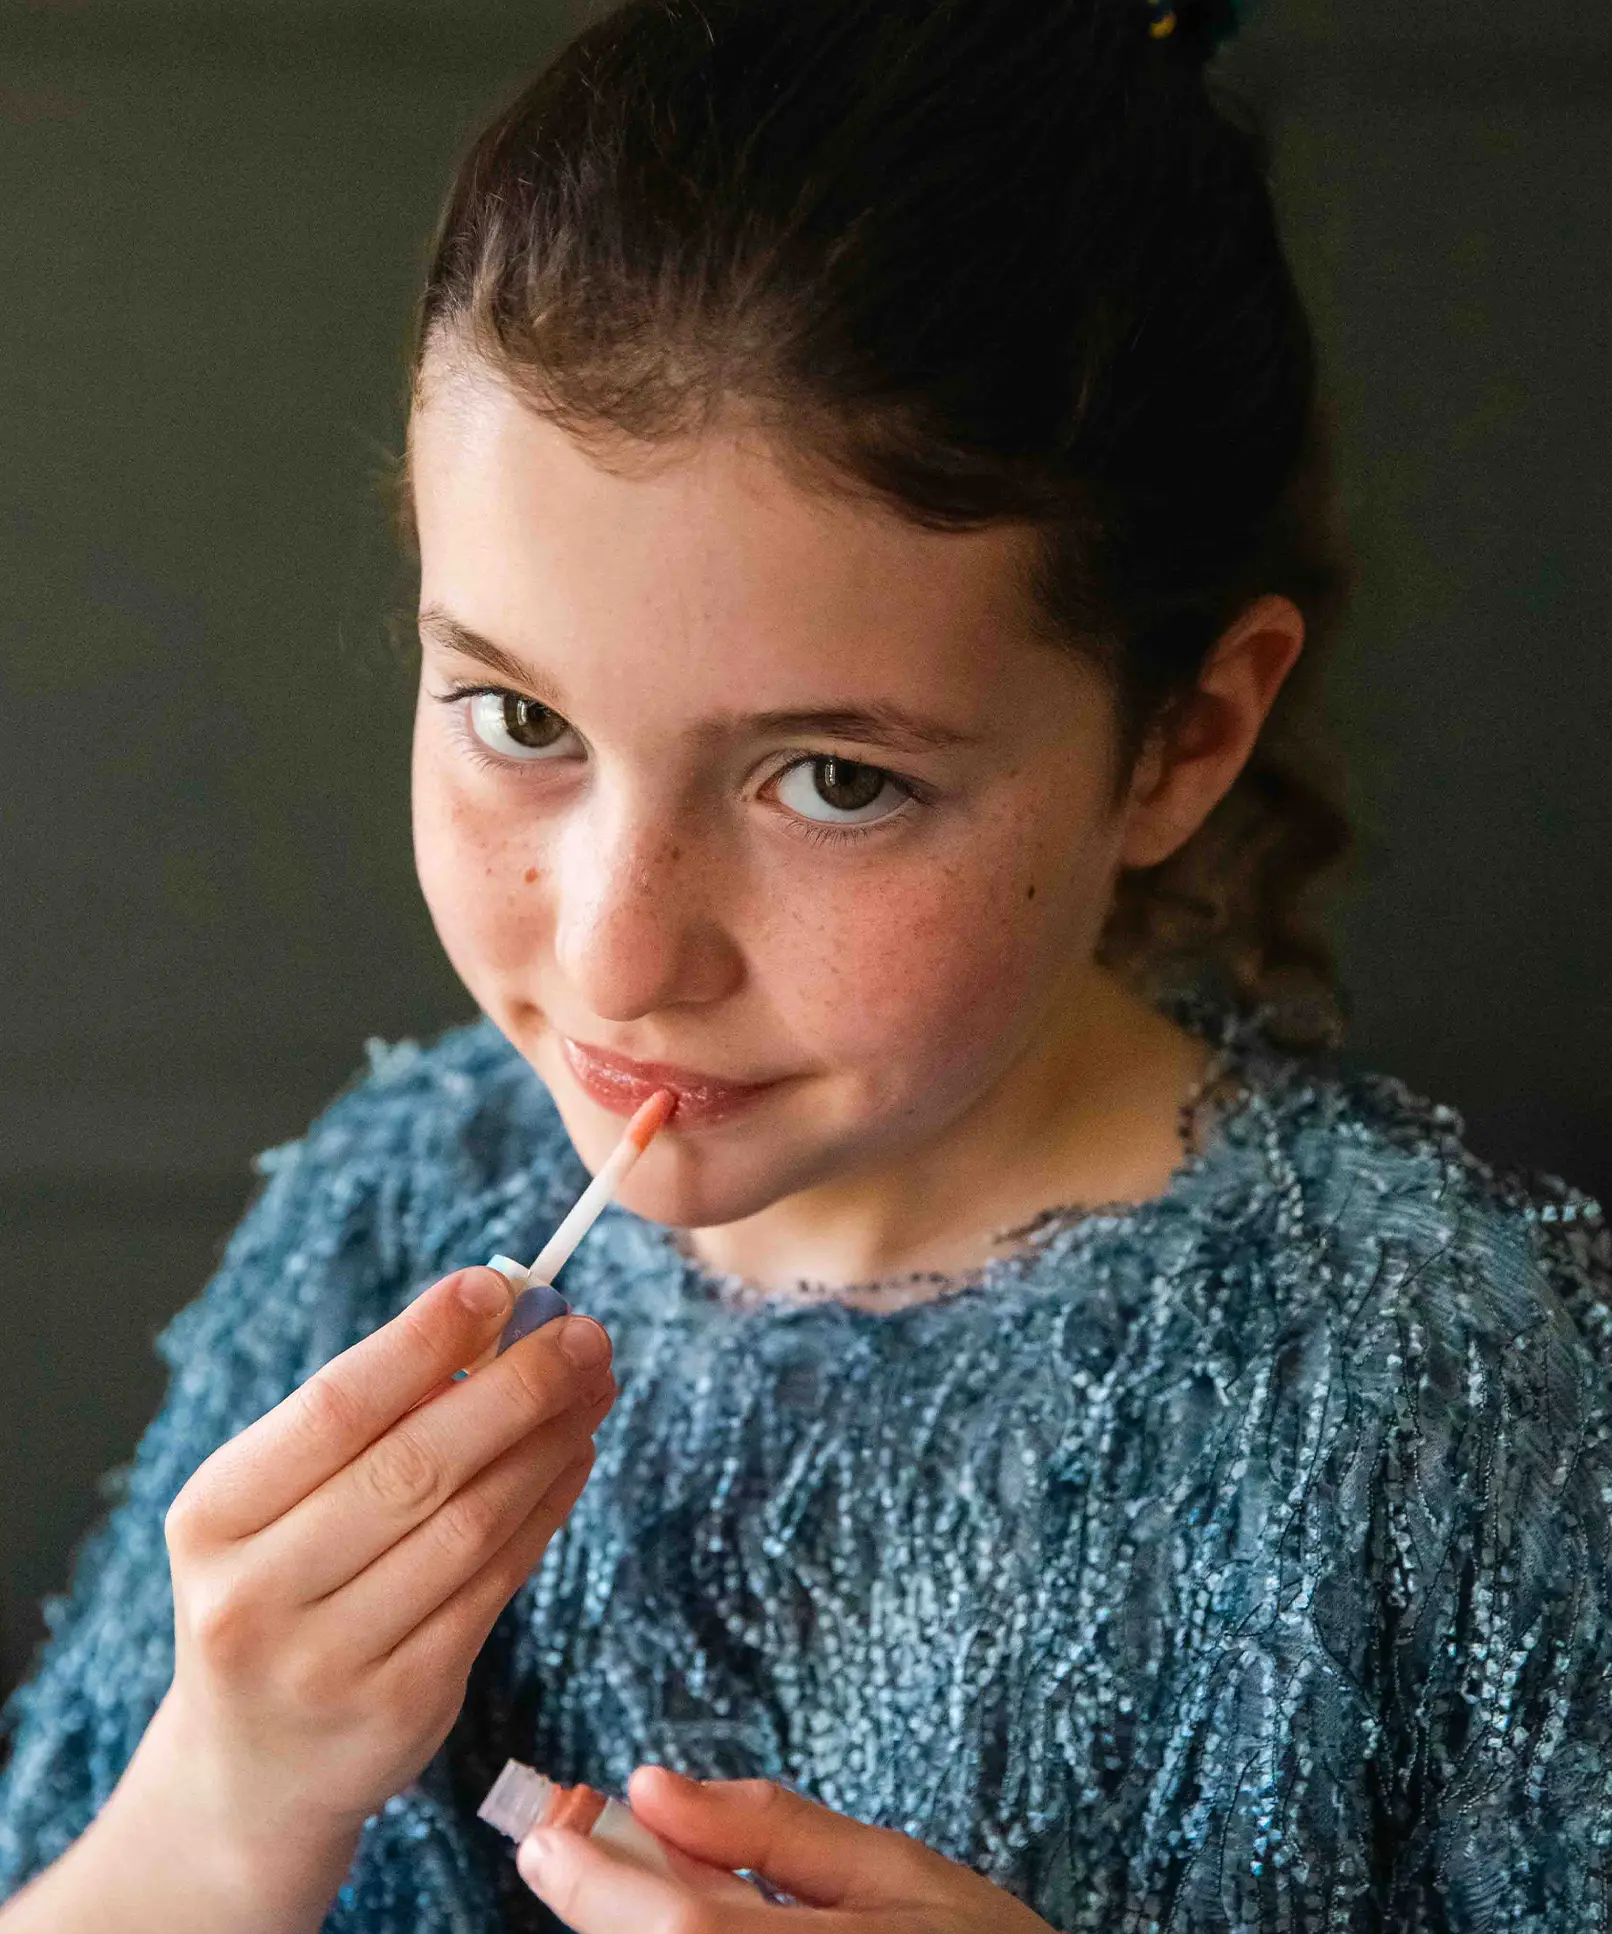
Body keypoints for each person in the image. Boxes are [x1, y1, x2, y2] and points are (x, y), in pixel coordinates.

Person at [3, 0, 1609, 1927]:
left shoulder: (1438, 1385)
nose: (617, 956)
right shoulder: (379, 1221)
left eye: (835, 780)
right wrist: (222, 1799)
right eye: (520, 719)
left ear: (1183, 738)